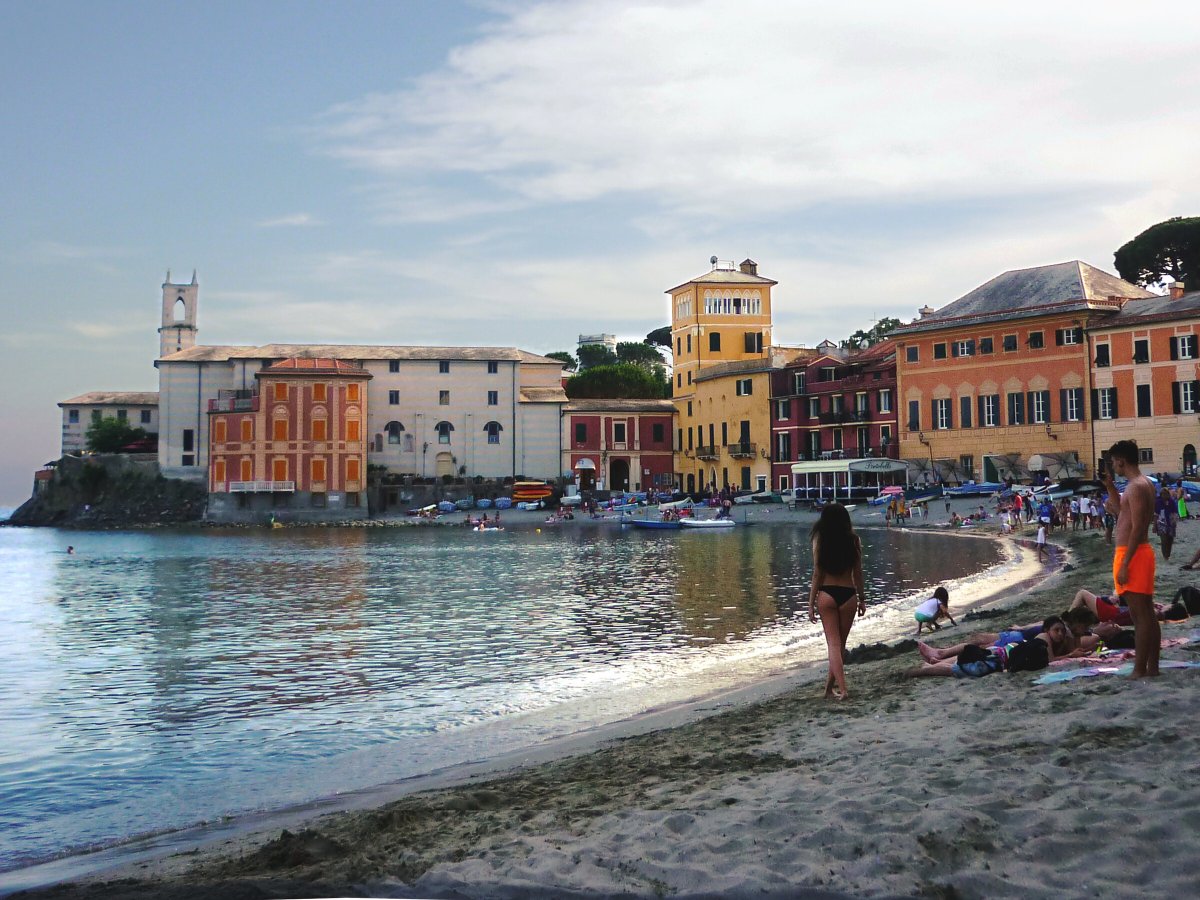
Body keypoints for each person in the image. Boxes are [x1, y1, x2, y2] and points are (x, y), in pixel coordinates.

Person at [1103, 440, 1159, 677]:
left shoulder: (1136, 487)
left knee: (1140, 616)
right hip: (1137, 552)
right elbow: (1122, 514)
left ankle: (1139, 669)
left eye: (1114, 462)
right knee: (1147, 613)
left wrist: (1125, 564)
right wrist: (1110, 488)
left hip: (1132, 554)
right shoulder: (1142, 484)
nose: (1113, 466)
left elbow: (1137, 528)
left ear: (1121, 461)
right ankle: (1152, 667)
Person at [808, 503, 866, 700]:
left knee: (833, 645)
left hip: (827, 594)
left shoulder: (820, 540)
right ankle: (829, 689)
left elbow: (817, 573)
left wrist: (810, 603)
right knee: (839, 646)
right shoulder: (854, 541)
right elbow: (857, 573)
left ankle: (842, 690)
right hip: (848, 594)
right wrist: (862, 598)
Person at [905, 617, 1081, 678]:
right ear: (1048, 630)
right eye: (1057, 630)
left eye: (1062, 631)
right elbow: (1050, 661)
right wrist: (1072, 655)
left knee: (971, 653)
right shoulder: (1044, 637)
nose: (1060, 633)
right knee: (967, 659)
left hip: (1004, 653)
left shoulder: (1050, 638)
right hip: (1003, 654)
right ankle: (931, 665)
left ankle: (934, 662)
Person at [1154, 486, 1177, 561]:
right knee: (1164, 540)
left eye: (1166, 494)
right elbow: (1156, 514)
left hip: (1171, 522)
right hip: (1161, 523)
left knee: (1170, 540)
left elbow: (1174, 513)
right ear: (1161, 495)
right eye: (1163, 494)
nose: (1165, 495)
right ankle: (1165, 556)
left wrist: (1174, 522)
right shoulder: (1158, 502)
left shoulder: (1171, 501)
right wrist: (1155, 526)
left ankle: (1168, 554)